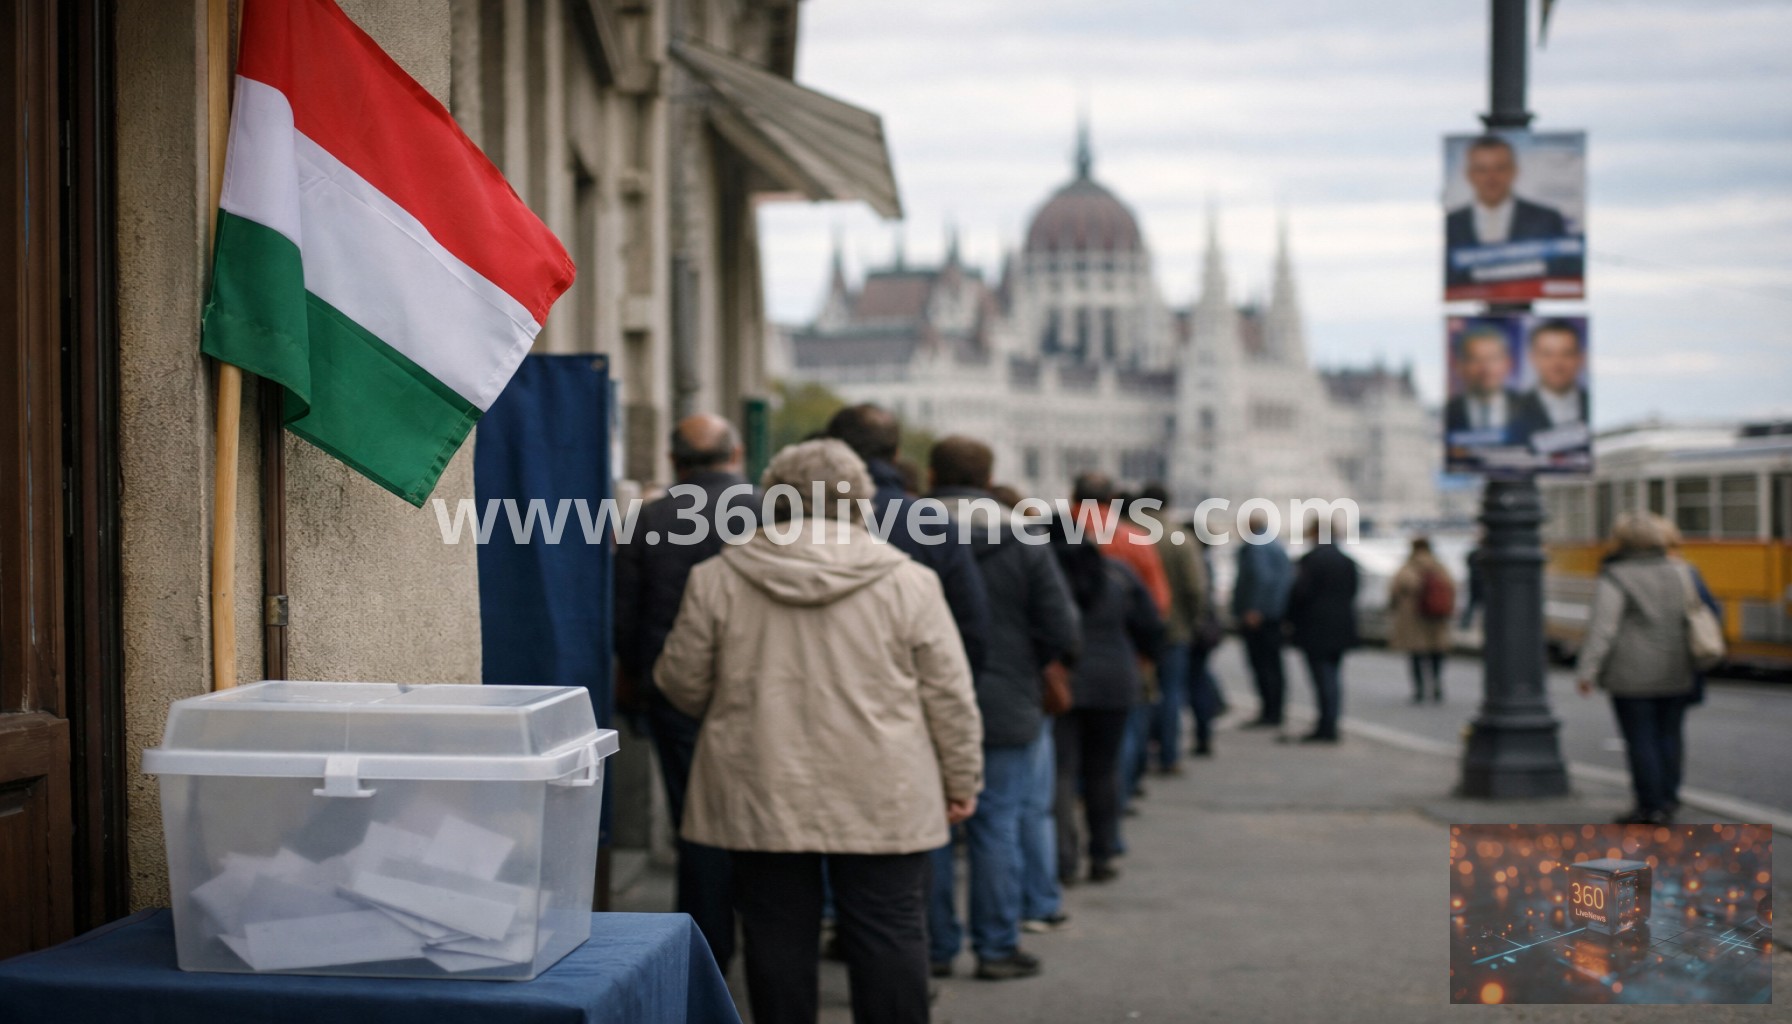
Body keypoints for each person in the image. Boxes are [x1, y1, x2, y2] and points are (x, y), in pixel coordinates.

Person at [655, 439, 983, 1024]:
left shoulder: (719, 576)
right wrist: (961, 777)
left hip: (761, 781)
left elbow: (681, 682)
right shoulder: (908, 581)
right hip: (885, 786)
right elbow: (949, 695)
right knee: (889, 930)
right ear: (861, 498)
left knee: (775, 934)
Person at [926, 437, 1080, 981]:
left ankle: (936, 946)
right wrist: (1026, 667)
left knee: (932, 829)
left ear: (932, 473)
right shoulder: (1023, 536)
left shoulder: (905, 528)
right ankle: (995, 947)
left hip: (926, 701)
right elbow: (1061, 627)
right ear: (989, 477)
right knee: (998, 825)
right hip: (1009, 699)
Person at [612, 413, 756, 973]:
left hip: (675, 696)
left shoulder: (649, 519)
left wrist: (638, 684)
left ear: (674, 461)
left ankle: (707, 952)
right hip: (758, 692)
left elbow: (624, 618)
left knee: (696, 821)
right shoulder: (770, 512)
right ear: (736, 453)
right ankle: (768, 932)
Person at [827, 403, 990, 672]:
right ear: (896, 455)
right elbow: (969, 626)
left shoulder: (801, 518)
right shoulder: (931, 523)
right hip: (904, 687)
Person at [1050, 511, 1163, 885]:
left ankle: (1064, 858)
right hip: (1114, 679)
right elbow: (1150, 625)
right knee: (1103, 770)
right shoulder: (1117, 573)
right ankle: (1103, 851)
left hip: (1062, 682)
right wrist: (1142, 660)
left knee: (1062, 772)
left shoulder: (1048, 576)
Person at [1574, 513, 1698, 825]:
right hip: (1676, 666)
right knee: (1670, 736)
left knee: (1640, 739)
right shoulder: (1680, 571)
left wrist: (1587, 671)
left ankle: (1649, 806)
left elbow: (1603, 627)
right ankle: (1668, 799)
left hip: (1631, 673)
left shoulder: (1616, 575)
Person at [1136, 482, 1207, 774]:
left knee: (1140, 695)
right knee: (1171, 693)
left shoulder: (1129, 534)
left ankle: (1137, 762)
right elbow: (1195, 588)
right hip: (1174, 628)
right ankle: (1168, 755)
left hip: (1137, 630)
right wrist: (1191, 621)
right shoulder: (1179, 537)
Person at [1444, 134, 1581, 288]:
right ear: (1469, 174)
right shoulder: (1450, 224)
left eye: (1500, 168)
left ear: (1514, 171)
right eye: (1482, 169)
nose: (1491, 177)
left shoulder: (1547, 218)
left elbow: (1564, 273)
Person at [1285, 516, 1359, 743]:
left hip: (1315, 627)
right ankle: (1330, 722)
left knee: (1322, 677)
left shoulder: (1310, 561)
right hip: (1341, 626)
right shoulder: (1347, 561)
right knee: (1333, 676)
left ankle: (1326, 726)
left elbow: (1298, 594)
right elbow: (1354, 591)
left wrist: (1290, 620)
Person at [1232, 510, 1293, 728]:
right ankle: (1275, 710)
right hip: (1274, 614)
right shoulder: (1274, 544)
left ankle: (1269, 712)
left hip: (1259, 616)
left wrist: (1254, 609)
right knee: (1273, 665)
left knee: (1262, 664)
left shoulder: (1256, 546)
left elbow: (1261, 578)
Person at [1388, 537, 1454, 704]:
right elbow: (1452, 588)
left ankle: (1419, 690)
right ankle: (1436, 684)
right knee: (1436, 652)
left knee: (1416, 654)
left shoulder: (1407, 567)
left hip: (1413, 618)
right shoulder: (1439, 567)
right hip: (1436, 618)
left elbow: (1395, 591)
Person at [1443, 327, 1529, 446]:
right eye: (1475, 359)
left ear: (1508, 363)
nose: (1486, 369)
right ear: (1459, 366)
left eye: (1493, 359)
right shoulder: (1446, 413)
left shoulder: (1531, 409)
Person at [1515, 318, 1589, 436]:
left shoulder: (1595, 404)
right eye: (1547, 354)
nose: (1557, 364)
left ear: (1580, 358)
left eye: (1567, 354)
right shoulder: (1513, 410)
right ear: (1532, 358)